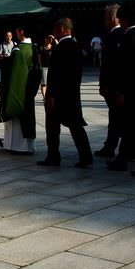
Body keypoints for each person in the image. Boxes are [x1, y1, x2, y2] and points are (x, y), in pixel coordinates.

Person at [38, 18, 93, 168]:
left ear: (62, 29)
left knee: (53, 128)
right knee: (76, 126)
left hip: (58, 95)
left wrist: (51, 95)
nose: (54, 32)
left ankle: (53, 156)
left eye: (56, 29)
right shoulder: (75, 46)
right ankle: (86, 156)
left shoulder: (61, 47)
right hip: (72, 93)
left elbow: (56, 74)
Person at [107, 5, 135, 176]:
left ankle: (127, 157)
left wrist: (121, 92)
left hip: (129, 90)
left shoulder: (128, 38)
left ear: (123, 20)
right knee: (131, 124)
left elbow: (126, 69)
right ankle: (123, 157)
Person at [0, 27, 41, 154]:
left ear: (21, 32)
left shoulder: (19, 49)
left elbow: (12, 69)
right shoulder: (34, 47)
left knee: (17, 118)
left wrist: (0, 60)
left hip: (18, 87)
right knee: (28, 116)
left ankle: (15, 146)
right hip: (29, 88)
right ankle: (27, 146)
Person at [96, 4, 124, 159]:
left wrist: (105, 85)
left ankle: (111, 147)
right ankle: (111, 146)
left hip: (114, 87)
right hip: (118, 87)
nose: (105, 21)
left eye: (106, 18)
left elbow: (109, 65)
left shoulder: (114, 37)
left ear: (112, 19)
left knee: (116, 118)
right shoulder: (122, 35)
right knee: (117, 118)